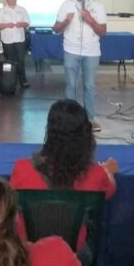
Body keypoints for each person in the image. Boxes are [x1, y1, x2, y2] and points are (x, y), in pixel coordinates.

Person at [10, 99, 117, 250]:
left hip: (28, 252)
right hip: (73, 253)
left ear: (50, 132)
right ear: (84, 134)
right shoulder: (96, 174)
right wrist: (108, 171)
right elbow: (110, 189)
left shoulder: (22, 168)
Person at [54, 0, 107, 131]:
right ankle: (69, 120)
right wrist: (65, 22)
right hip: (71, 50)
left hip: (91, 52)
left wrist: (90, 19)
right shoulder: (66, 5)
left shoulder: (98, 6)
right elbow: (56, 29)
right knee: (71, 85)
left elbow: (103, 31)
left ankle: (90, 119)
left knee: (89, 86)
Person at [0, 0, 31, 89]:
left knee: (20, 60)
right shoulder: (2, 11)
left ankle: (22, 79)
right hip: (7, 40)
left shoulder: (22, 9)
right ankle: (10, 80)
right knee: (9, 60)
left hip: (19, 38)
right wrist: (7, 25)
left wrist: (21, 24)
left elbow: (28, 23)